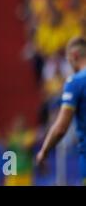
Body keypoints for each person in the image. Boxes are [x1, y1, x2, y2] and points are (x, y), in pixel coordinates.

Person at [36, 37, 86, 185]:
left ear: (75, 55)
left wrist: (44, 151)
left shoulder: (76, 82)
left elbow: (60, 128)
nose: (69, 64)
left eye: (69, 59)